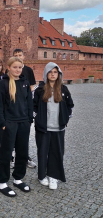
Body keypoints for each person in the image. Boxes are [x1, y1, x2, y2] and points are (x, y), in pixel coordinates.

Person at [0, 57, 33, 197]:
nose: (18, 70)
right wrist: (2, 123)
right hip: (9, 123)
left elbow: (29, 103)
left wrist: (29, 120)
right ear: (9, 67)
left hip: (23, 123)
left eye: (20, 67)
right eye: (15, 67)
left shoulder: (25, 83)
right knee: (6, 152)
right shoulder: (3, 84)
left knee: (22, 152)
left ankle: (18, 178)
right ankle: (2, 182)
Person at [34, 62, 74, 190]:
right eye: (50, 72)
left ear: (59, 74)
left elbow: (69, 105)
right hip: (43, 127)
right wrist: (37, 118)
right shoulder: (40, 90)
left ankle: (53, 176)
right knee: (43, 151)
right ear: (46, 73)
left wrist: (65, 117)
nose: (52, 74)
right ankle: (41, 176)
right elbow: (33, 106)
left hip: (58, 128)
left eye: (55, 72)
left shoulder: (63, 89)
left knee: (56, 152)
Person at [12, 48, 37, 169]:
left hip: (25, 107)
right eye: (15, 55)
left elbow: (31, 89)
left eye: (19, 55)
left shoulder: (28, 70)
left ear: (23, 56)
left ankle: (25, 157)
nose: (18, 56)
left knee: (24, 135)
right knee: (11, 135)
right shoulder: (10, 71)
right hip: (12, 108)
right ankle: (12, 157)